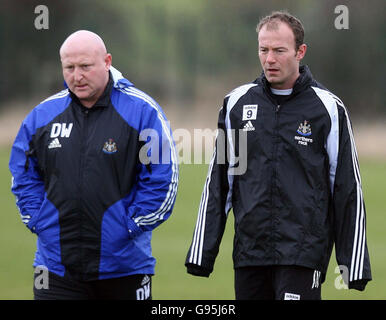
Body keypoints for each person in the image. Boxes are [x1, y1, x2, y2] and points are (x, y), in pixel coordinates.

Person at [185, 11, 371, 300]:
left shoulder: (328, 108)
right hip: (250, 255)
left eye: (279, 50)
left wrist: (353, 264)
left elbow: (347, 187)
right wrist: (202, 252)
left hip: (302, 255)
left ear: (300, 51)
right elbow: (219, 183)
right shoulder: (236, 104)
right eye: (264, 49)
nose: (269, 59)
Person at [9, 30, 178, 300]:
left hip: (124, 269)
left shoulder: (142, 111)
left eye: (85, 66)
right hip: (55, 270)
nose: (77, 76)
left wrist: (130, 226)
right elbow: (23, 175)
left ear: (107, 62)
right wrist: (38, 219)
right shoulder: (42, 116)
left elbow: (162, 179)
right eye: (70, 67)